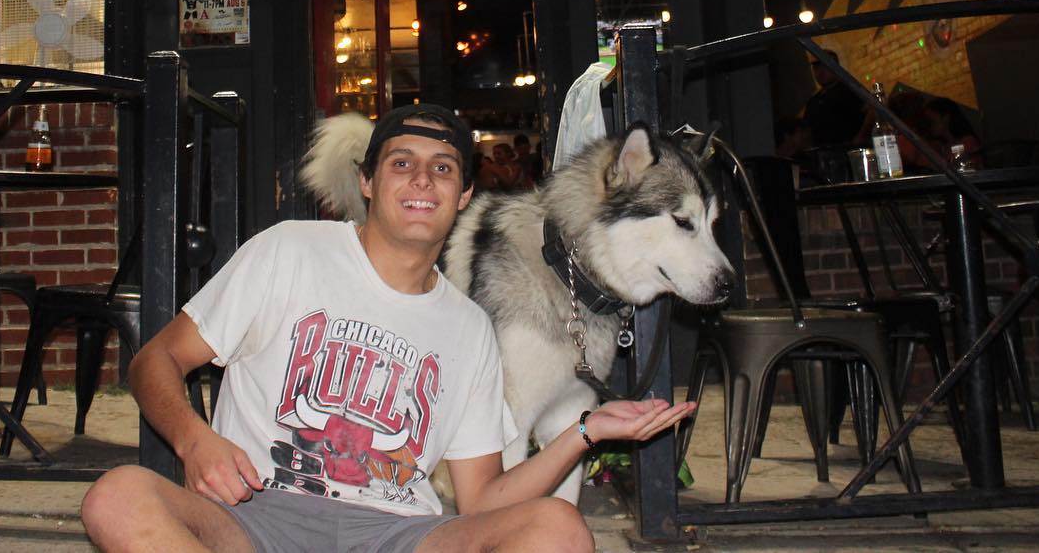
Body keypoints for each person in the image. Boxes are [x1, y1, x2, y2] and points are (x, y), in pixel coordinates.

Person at [80, 104, 694, 553]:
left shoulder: (469, 327)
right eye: (402, 163)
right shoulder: (288, 251)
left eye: (443, 168)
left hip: (397, 535)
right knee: (119, 495)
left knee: (558, 529)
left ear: (463, 196)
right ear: (367, 182)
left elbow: (483, 500)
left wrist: (584, 432)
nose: (423, 180)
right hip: (253, 518)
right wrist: (194, 440)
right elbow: (154, 362)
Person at [802, 49, 868, 147]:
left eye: (824, 66)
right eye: (816, 68)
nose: (820, 71)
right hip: (823, 153)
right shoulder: (813, 102)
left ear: (835, 66)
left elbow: (871, 112)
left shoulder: (850, 91)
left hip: (849, 149)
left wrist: (861, 136)